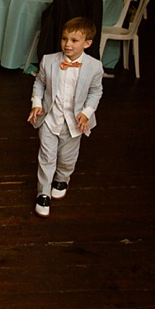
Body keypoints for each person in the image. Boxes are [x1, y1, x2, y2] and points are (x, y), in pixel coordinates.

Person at [27, 17, 103, 218]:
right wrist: (37, 104)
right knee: (46, 157)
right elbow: (40, 83)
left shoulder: (94, 67)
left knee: (67, 158)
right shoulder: (49, 60)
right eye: (64, 39)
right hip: (50, 120)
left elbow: (96, 92)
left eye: (74, 41)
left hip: (74, 123)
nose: (67, 44)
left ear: (87, 43)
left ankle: (62, 179)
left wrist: (86, 113)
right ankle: (43, 194)